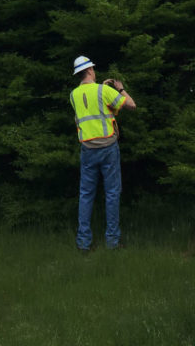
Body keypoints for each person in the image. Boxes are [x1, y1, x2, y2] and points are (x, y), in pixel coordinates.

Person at [70, 54, 136, 251]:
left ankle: (83, 244)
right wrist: (120, 89)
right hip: (108, 148)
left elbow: (91, 102)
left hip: (87, 150)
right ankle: (113, 243)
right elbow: (131, 105)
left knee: (86, 195)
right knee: (112, 193)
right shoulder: (104, 90)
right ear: (90, 70)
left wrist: (104, 88)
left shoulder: (73, 95)